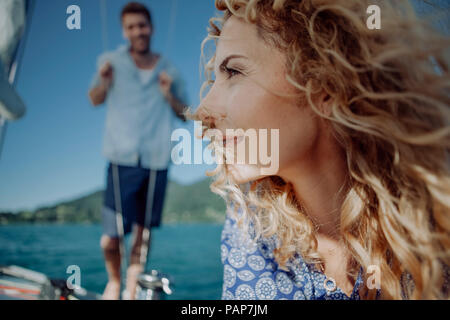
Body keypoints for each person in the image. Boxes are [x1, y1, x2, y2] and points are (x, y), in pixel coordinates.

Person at [192, 0, 449, 299]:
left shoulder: (431, 233)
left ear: (325, 85)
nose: (202, 110)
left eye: (233, 71)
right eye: (214, 79)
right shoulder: (250, 225)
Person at [88, 2, 188, 300]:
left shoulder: (169, 68)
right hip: (122, 159)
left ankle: (131, 289)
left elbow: (185, 113)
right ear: (124, 31)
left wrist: (168, 94)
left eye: (142, 25)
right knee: (111, 238)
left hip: (157, 160)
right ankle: (114, 281)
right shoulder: (110, 61)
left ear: (151, 28)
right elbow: (94, 99)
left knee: (142, 235)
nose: (138, 31)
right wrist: (104, 82)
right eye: (131, 26)